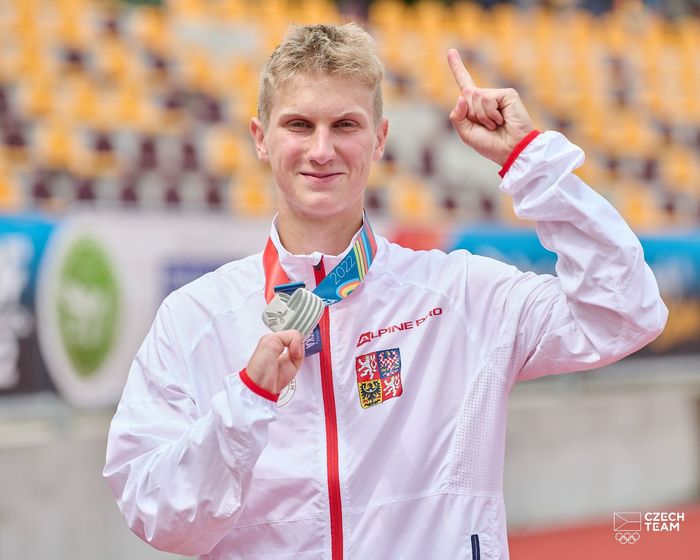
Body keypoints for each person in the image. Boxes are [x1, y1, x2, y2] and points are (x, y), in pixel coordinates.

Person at [103, 23, 667, 559]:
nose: (321, 150)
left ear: (379, 140)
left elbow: (624, 313)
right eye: (299, 125)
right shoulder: (196, 318)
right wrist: (247, 401)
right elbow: (159, 516)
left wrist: (531, 162)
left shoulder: (461, 296)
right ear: (261, 139)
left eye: (345, 126)